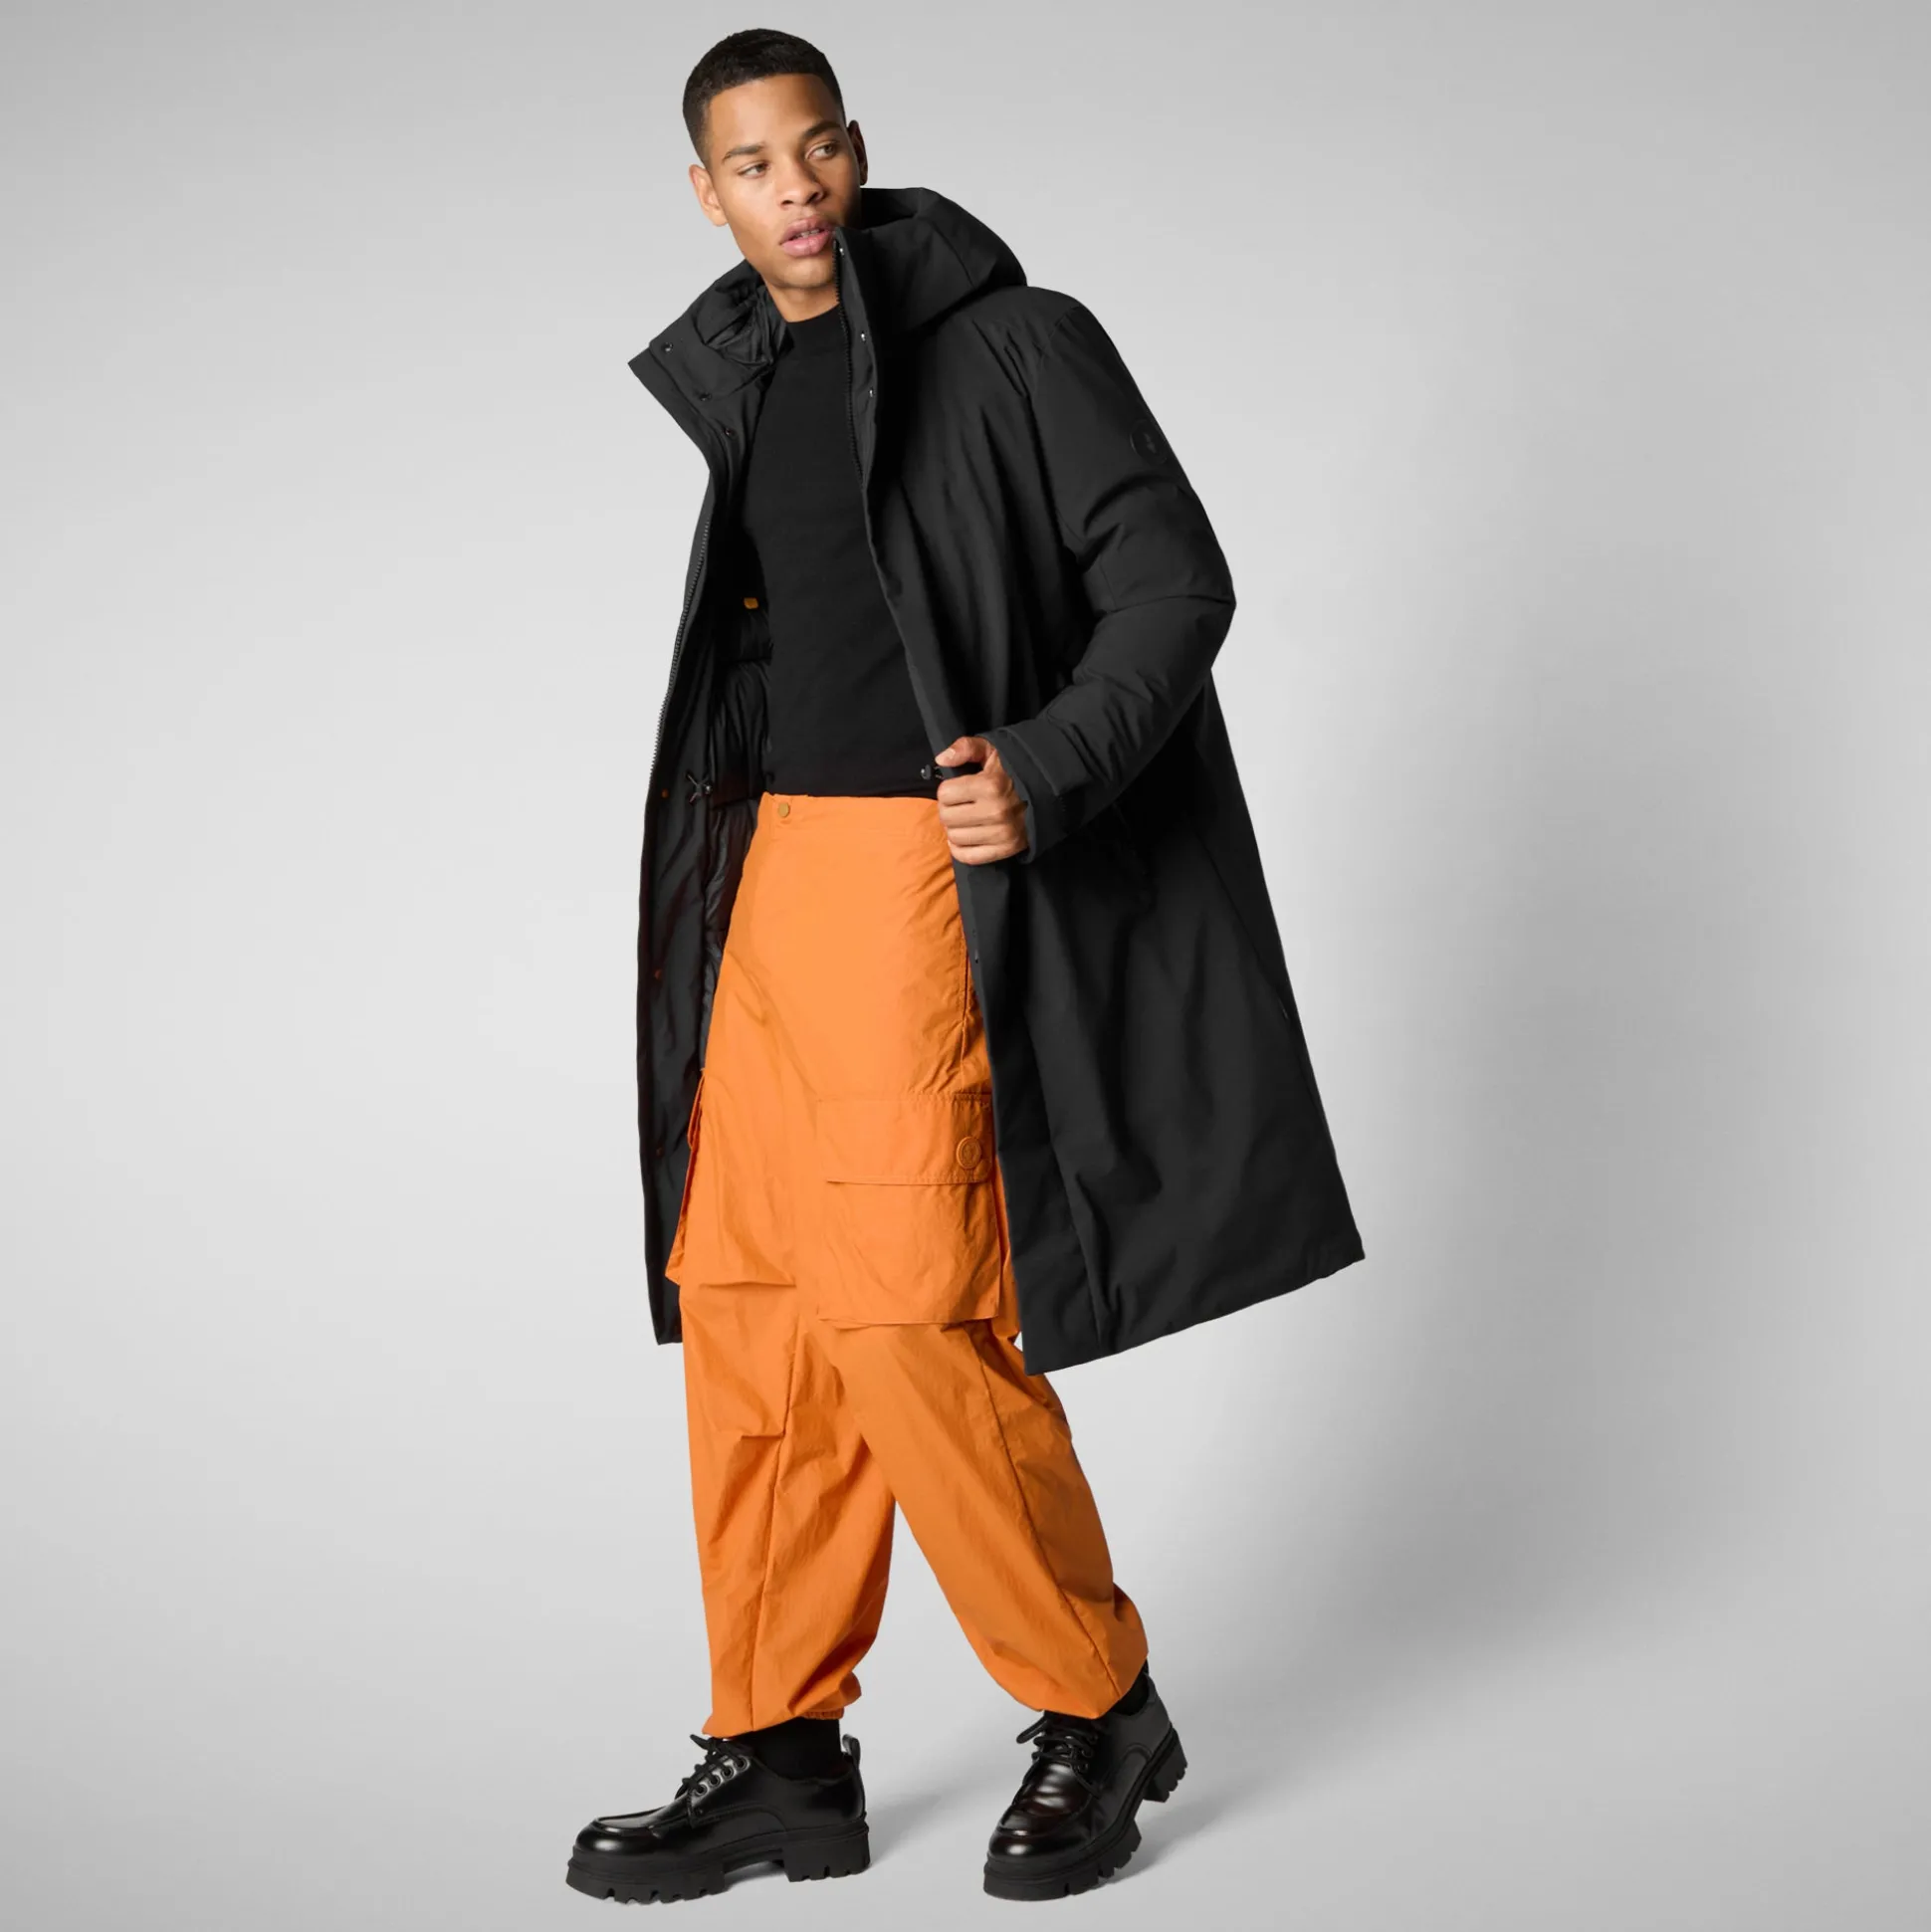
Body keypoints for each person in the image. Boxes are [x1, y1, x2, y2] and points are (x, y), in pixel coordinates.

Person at [565, 27, 1364, 1908]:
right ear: (707, 194)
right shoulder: (749, 377)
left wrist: (1048, 762)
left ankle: (1098, 1701)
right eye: (753, 165)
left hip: (925, 873)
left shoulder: (1018, 343)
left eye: (818, 148)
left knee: (908, 1315)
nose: (795, 189)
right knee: (751, 1307)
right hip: (772, 884)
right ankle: (780, 1746)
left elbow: (1171, 582)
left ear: (856, 150)